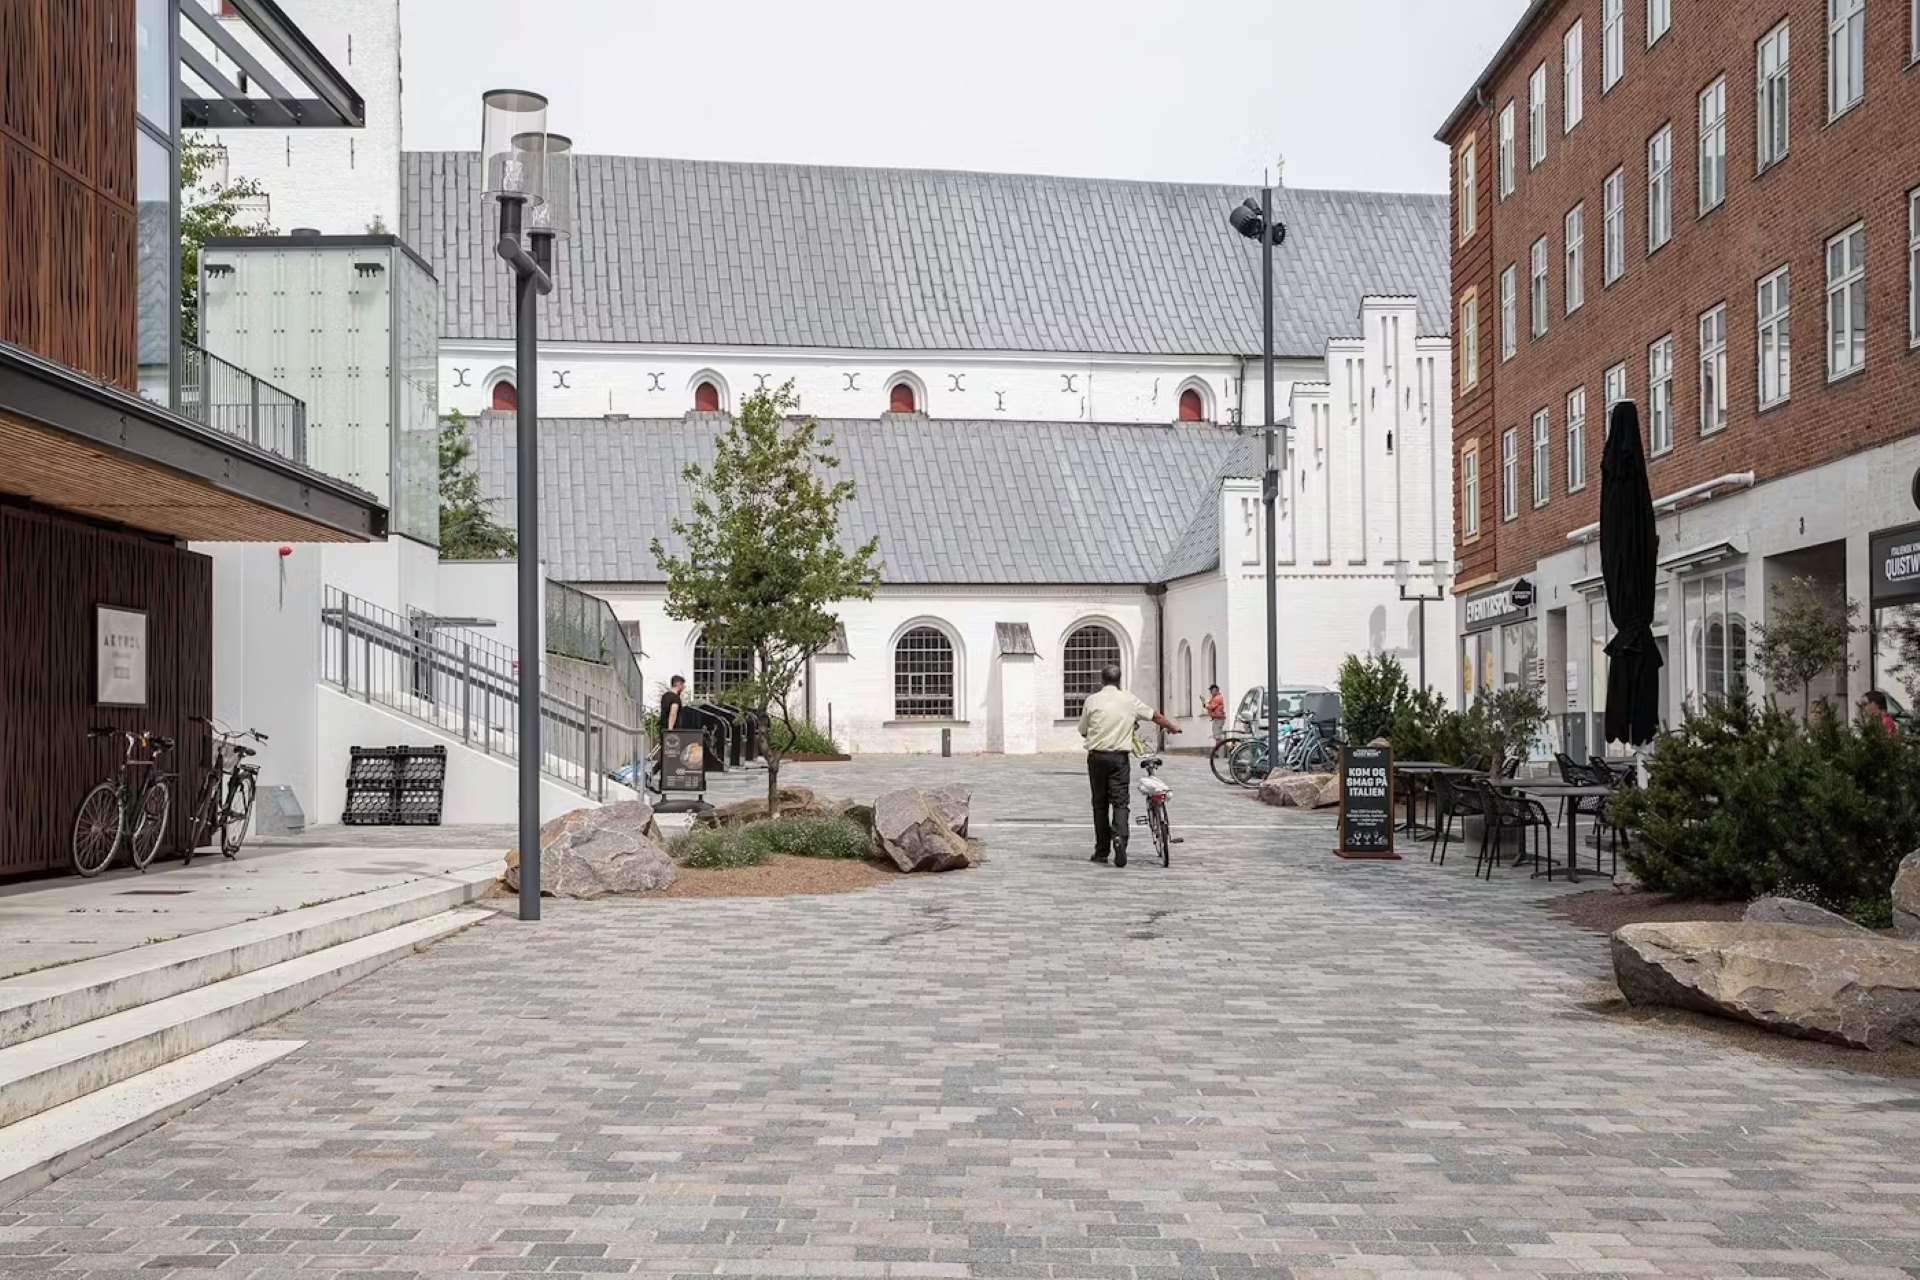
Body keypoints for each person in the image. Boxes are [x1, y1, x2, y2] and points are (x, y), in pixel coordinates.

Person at [1078, 663, 1180, 867]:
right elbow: (1155, 715)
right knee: (1120, 802)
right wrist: (1173, 727)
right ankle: (1120, 839)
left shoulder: (1092, 700)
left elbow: (1083, 729)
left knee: (1099, 805)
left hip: (1097, 757)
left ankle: (1101, 851)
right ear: (1119, 680)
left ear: (1102, 679)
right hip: (1119, 758)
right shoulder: (1129, 700)